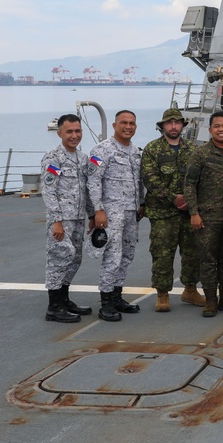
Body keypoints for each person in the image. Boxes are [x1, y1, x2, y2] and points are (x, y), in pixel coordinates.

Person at [140, 108, 205, 313]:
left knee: (192, 252)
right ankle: (162, 294)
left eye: (177, 122)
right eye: (170, 123)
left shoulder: (193, 149)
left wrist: (190, 202)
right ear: (163, 126)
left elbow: (199, 178)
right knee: (162, 253)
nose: (174, 126)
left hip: (188, 211)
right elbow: (150, 179)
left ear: (182, 126)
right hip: (162, 213)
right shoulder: (152, 149)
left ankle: (190, 289)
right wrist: (173, 198)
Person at [184, 111, 223, 317]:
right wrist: (194, 212)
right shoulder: (200, 154)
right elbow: (190, 185)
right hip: (207, 218)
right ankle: (211, 300)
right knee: (208, 261)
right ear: (210, 130)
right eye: (217, 126)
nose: (221, 129)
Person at [87, 110, 145, 322]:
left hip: (131, 212)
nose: (128, 126)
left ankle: (117, 296)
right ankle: (106, 303)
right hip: (111, 212)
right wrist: (97, 210)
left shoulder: (135, 152)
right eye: (123, 123)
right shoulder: (102, 150)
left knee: (127, 254)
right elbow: (93, 182)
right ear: (114, 125)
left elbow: (138, 181)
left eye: (131, 123)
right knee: (112, 256)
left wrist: (141, 203)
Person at [41, 113, 94, 323]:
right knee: (58, 259)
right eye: (69, 132)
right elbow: (48, 190)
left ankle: (64, 299)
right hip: (61, 221)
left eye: (77, 131)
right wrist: (56, 220)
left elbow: (87, 189)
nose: (74, 135)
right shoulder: (53, 159)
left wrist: (91, 214)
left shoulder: (83, 159)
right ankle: (53, 306)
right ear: (60, 133)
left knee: (74, 259)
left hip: (78, 219)